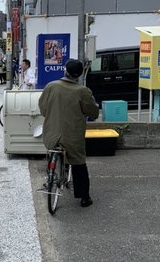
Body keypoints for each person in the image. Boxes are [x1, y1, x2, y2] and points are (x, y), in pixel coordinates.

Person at [38, 59, 99, 208]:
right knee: (78, 163)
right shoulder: (83, 91)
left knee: (52, 151)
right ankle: (84, 197)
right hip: (73, 136)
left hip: (51, 133)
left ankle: (51, 177)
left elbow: (43, 108)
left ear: (65, 70)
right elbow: (93, 112)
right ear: (79, 74)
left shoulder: (51, 86)